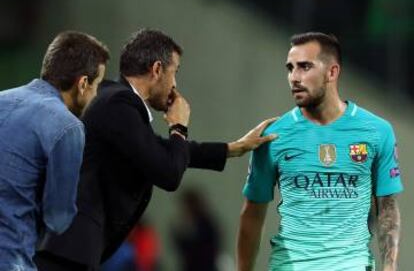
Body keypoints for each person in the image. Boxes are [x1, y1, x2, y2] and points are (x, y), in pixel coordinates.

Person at [35, 29, 276, 271]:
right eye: (175, 72)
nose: (175, 85)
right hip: (68, 251)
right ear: (157, 69)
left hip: (67, 247)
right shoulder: (121, 104)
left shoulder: (113, 96)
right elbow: (168, 173)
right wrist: (179, 126)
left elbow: (160, 150)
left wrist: (233, 148)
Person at [237, 32, 403, 271]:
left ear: (332, 72)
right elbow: (252, 213)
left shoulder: (377, 131)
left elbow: (386, 206)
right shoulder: (273, 136)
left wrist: (390, 266)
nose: (294, 77)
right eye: (290, 68)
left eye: (305, 67)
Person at [0, 31, 109, 271]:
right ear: (82, 84)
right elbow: (58, 217)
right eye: (97, 85)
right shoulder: (67, 127)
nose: (95, 95)